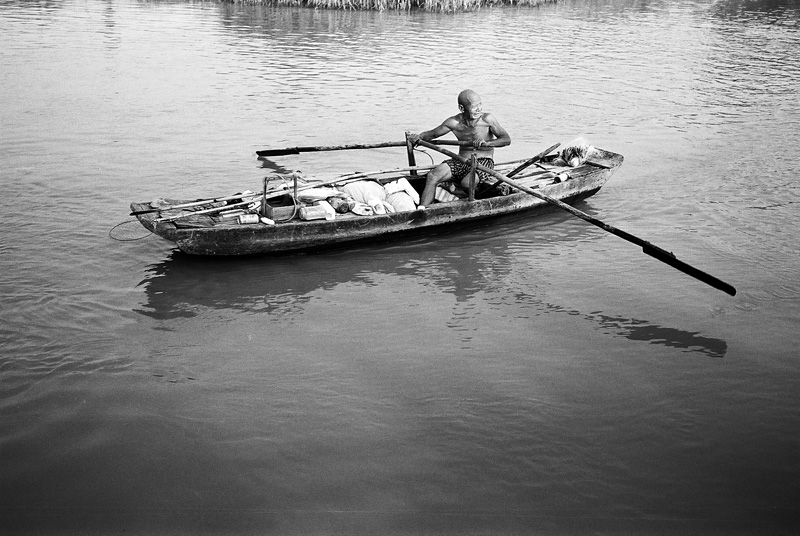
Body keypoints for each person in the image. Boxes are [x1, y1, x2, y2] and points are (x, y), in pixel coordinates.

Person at [407, 89, 511, 207]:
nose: (479, 109)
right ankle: (422, 210)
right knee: (432, 176)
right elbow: (433, 134)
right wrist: (417, 137)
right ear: (462, 108)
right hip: (460, 160)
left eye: (480, 104)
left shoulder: (487, 119)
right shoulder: (454, 122)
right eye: (474, 106)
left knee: (467, 183)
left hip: (483, 161)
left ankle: (456, 190)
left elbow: (506, 139)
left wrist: (487, 143)